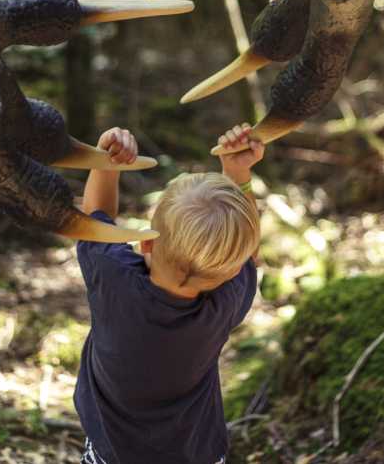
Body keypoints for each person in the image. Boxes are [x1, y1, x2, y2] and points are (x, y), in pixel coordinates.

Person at [75, 123, 264, 464]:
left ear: (146, 240)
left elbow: (95, 218)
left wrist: (108, 160)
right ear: (232, 270)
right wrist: (239, 174)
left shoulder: (112, 276)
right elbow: (249, 254)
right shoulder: (225, 304)